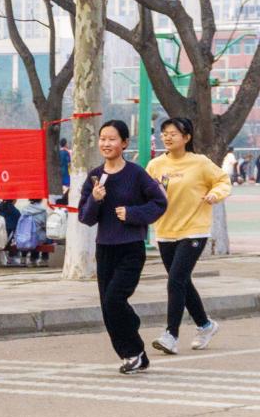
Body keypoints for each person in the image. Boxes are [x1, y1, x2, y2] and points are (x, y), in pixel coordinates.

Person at [78, 120, 167, 374]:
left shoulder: (136, 174)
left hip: (130, 248)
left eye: (112, 139)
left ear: (124, 143)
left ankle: (134, 348)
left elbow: (159, 203)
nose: (106, 143)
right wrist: (95, 199)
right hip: (105, 248)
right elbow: (85, 217)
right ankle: (132, 355)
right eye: (103, 139)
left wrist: (132, 214)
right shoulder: (95, 176)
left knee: (114, 300)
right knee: (108, 307)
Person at [145, 118, 231, 355]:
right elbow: (144, 191)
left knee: (175, 280)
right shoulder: (155, 165)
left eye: (173, 133)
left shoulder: (200, 162)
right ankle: (205, 325)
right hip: (165, 231)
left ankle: (170, 335)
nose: (168, 137)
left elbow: (223, 181)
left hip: (194, 229)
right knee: (182, 281)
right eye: (165, 133)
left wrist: (215, 194)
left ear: (186, 137)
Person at [17, 199, 49, 267]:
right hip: (38, 237)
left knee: (28, 238)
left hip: (24, 236)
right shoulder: (43, 211)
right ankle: (41, 259)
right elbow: (45, 225)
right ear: (41, 200)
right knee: (46, 238)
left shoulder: (24, 210)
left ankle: (23, 258)